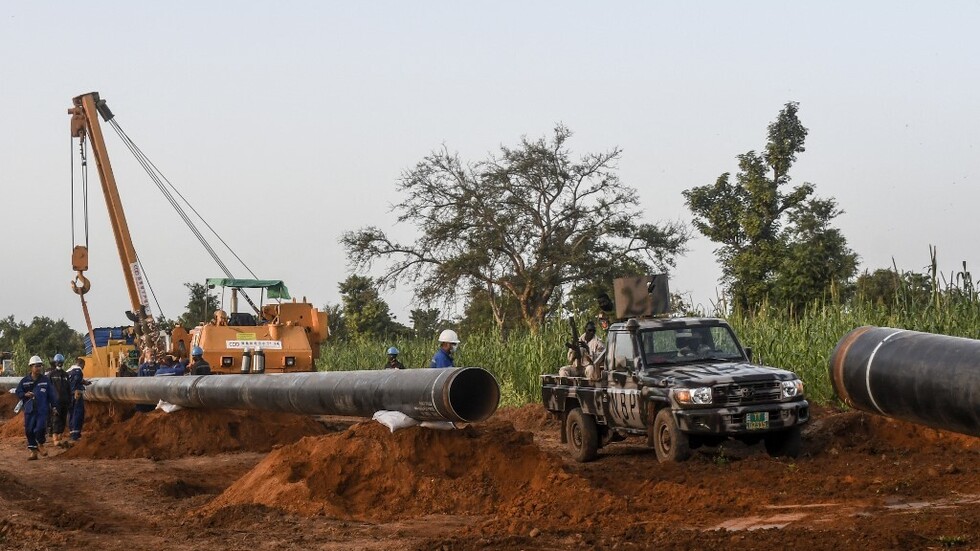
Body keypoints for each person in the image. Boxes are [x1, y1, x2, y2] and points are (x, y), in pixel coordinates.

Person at [15, 356, 51, 460]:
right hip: (29, 409)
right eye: (36, 366)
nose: (38, 368)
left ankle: (40, 444)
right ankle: (33, 452)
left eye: (40, 366)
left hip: (42, 409)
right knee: (29, 430)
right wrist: (25, 394)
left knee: (40, 428)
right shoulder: (25, 381)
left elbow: (52, 394)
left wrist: (54, 406)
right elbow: (18, 392)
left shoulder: (45, 380)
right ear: (31, 367)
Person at [45, 353, 71, 448]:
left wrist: (69, 400)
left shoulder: (66, 375)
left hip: (65, 401)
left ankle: (60, 436)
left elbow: (68, 388)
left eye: (61, 362)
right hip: (55, 401)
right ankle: (55, 438)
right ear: (55, 363)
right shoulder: (51, 375)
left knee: (63, 419)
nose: (59, 364)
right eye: (58, 362)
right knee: (56, 418)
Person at [66, 357, 91, 443]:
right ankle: (75, 434)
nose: (83, 367)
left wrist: (85, 382)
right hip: (76, 395)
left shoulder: (68, 371)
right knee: (78, 413)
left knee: (71, 413)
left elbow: (74, 380)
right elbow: (76, 380)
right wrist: (77, 390)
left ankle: (72, 432)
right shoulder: (78, 370)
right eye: (84, 365)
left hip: (68, 396)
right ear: (81, 364)